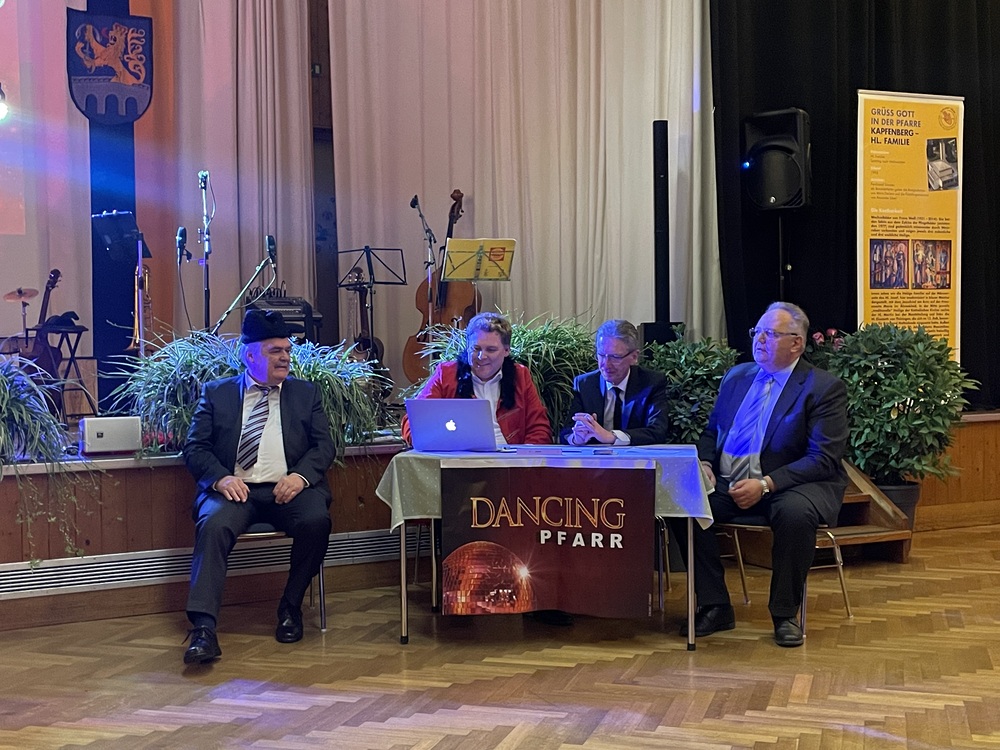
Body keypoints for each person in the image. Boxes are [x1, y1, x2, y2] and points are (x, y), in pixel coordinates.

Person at [672, 301, 848, 647]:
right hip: (730, 482)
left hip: (792, 484)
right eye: (757, 332)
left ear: (796, 343)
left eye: (771, 334)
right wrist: (705, 464)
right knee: (683, 504)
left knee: (795, 514)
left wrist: (766, 484)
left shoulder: (821, 387)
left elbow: (823, 458)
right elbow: (712, 432)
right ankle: (715, 605)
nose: (759, 340)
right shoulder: (737, 377)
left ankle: (784, 614)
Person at [182, 309, 335, 665]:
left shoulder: (305, 393)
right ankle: (204, 629)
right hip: (235, 492)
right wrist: (221, 478)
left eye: (287, 350)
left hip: (289, 490)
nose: (285, 357)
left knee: (316, 521)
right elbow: (195, 448)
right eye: (274, 350)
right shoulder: (217, 394)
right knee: (214, 524)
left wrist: (300, 477)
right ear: (249, 355)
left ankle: (290, 607)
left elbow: (324, 446)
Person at [401, 311, 551, 445]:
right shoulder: (446, 374)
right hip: (458, 459)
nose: (481, 356)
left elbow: (539, 429)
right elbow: (413, 422)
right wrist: (438, 445)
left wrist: (523, 459)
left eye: (491, 350)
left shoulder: (520, 376)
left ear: (506, 350)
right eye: (476, 348)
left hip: (509, 461)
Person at [559, 319, 670, 446]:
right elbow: (566, 433)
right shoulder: (584, 384)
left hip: (636, 457)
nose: (606, 365)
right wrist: (577, 438)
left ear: (634, 357)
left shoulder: (651, 383)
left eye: (615, 357)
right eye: (601, 355)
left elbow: (657, 432)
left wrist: (611, 437)